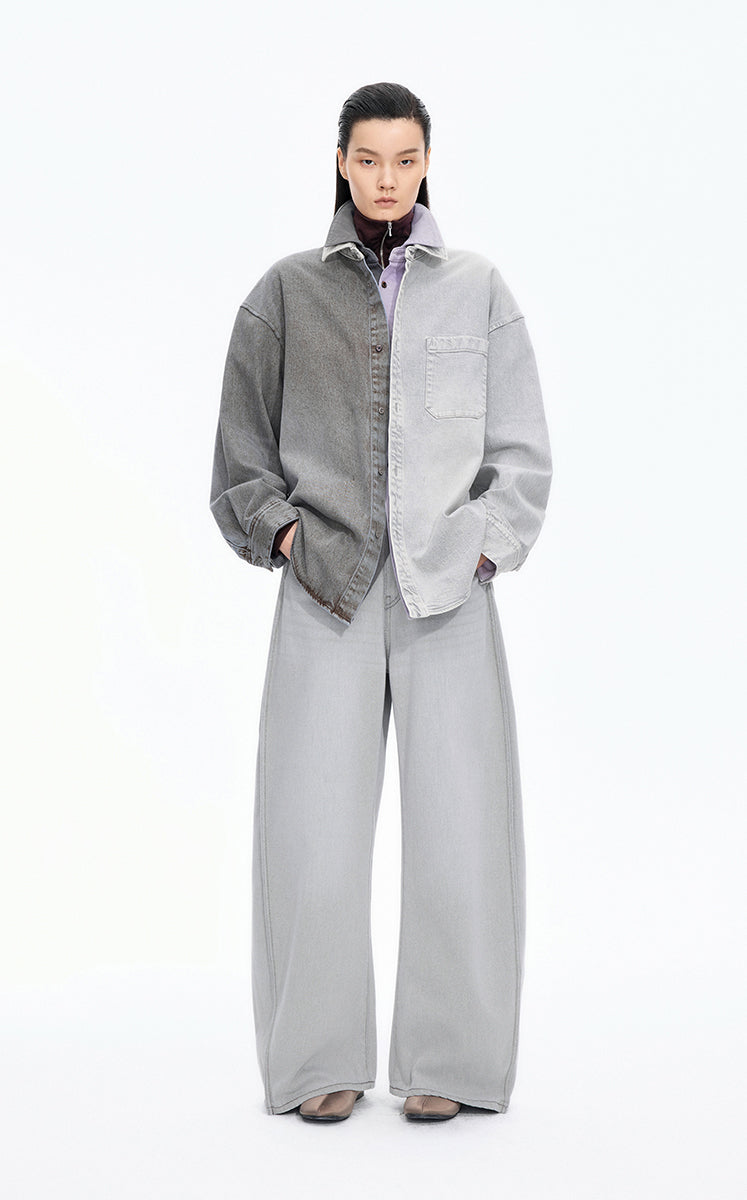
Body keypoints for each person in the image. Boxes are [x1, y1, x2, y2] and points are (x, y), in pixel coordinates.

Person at [209, 81, 552, 1123]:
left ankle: (448, 1063)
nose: (387, 178)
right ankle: (319, 1063)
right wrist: (286, 538)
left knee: (462, 833)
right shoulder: (284, 293)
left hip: (447, 590)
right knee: (309, 834)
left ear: (427, 161)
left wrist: (481, 549)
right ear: (342, 163)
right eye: (368, 159)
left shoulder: (479, 289)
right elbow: (239, 459)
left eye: (405, 159)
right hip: (327, 592)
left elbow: (521, 455)